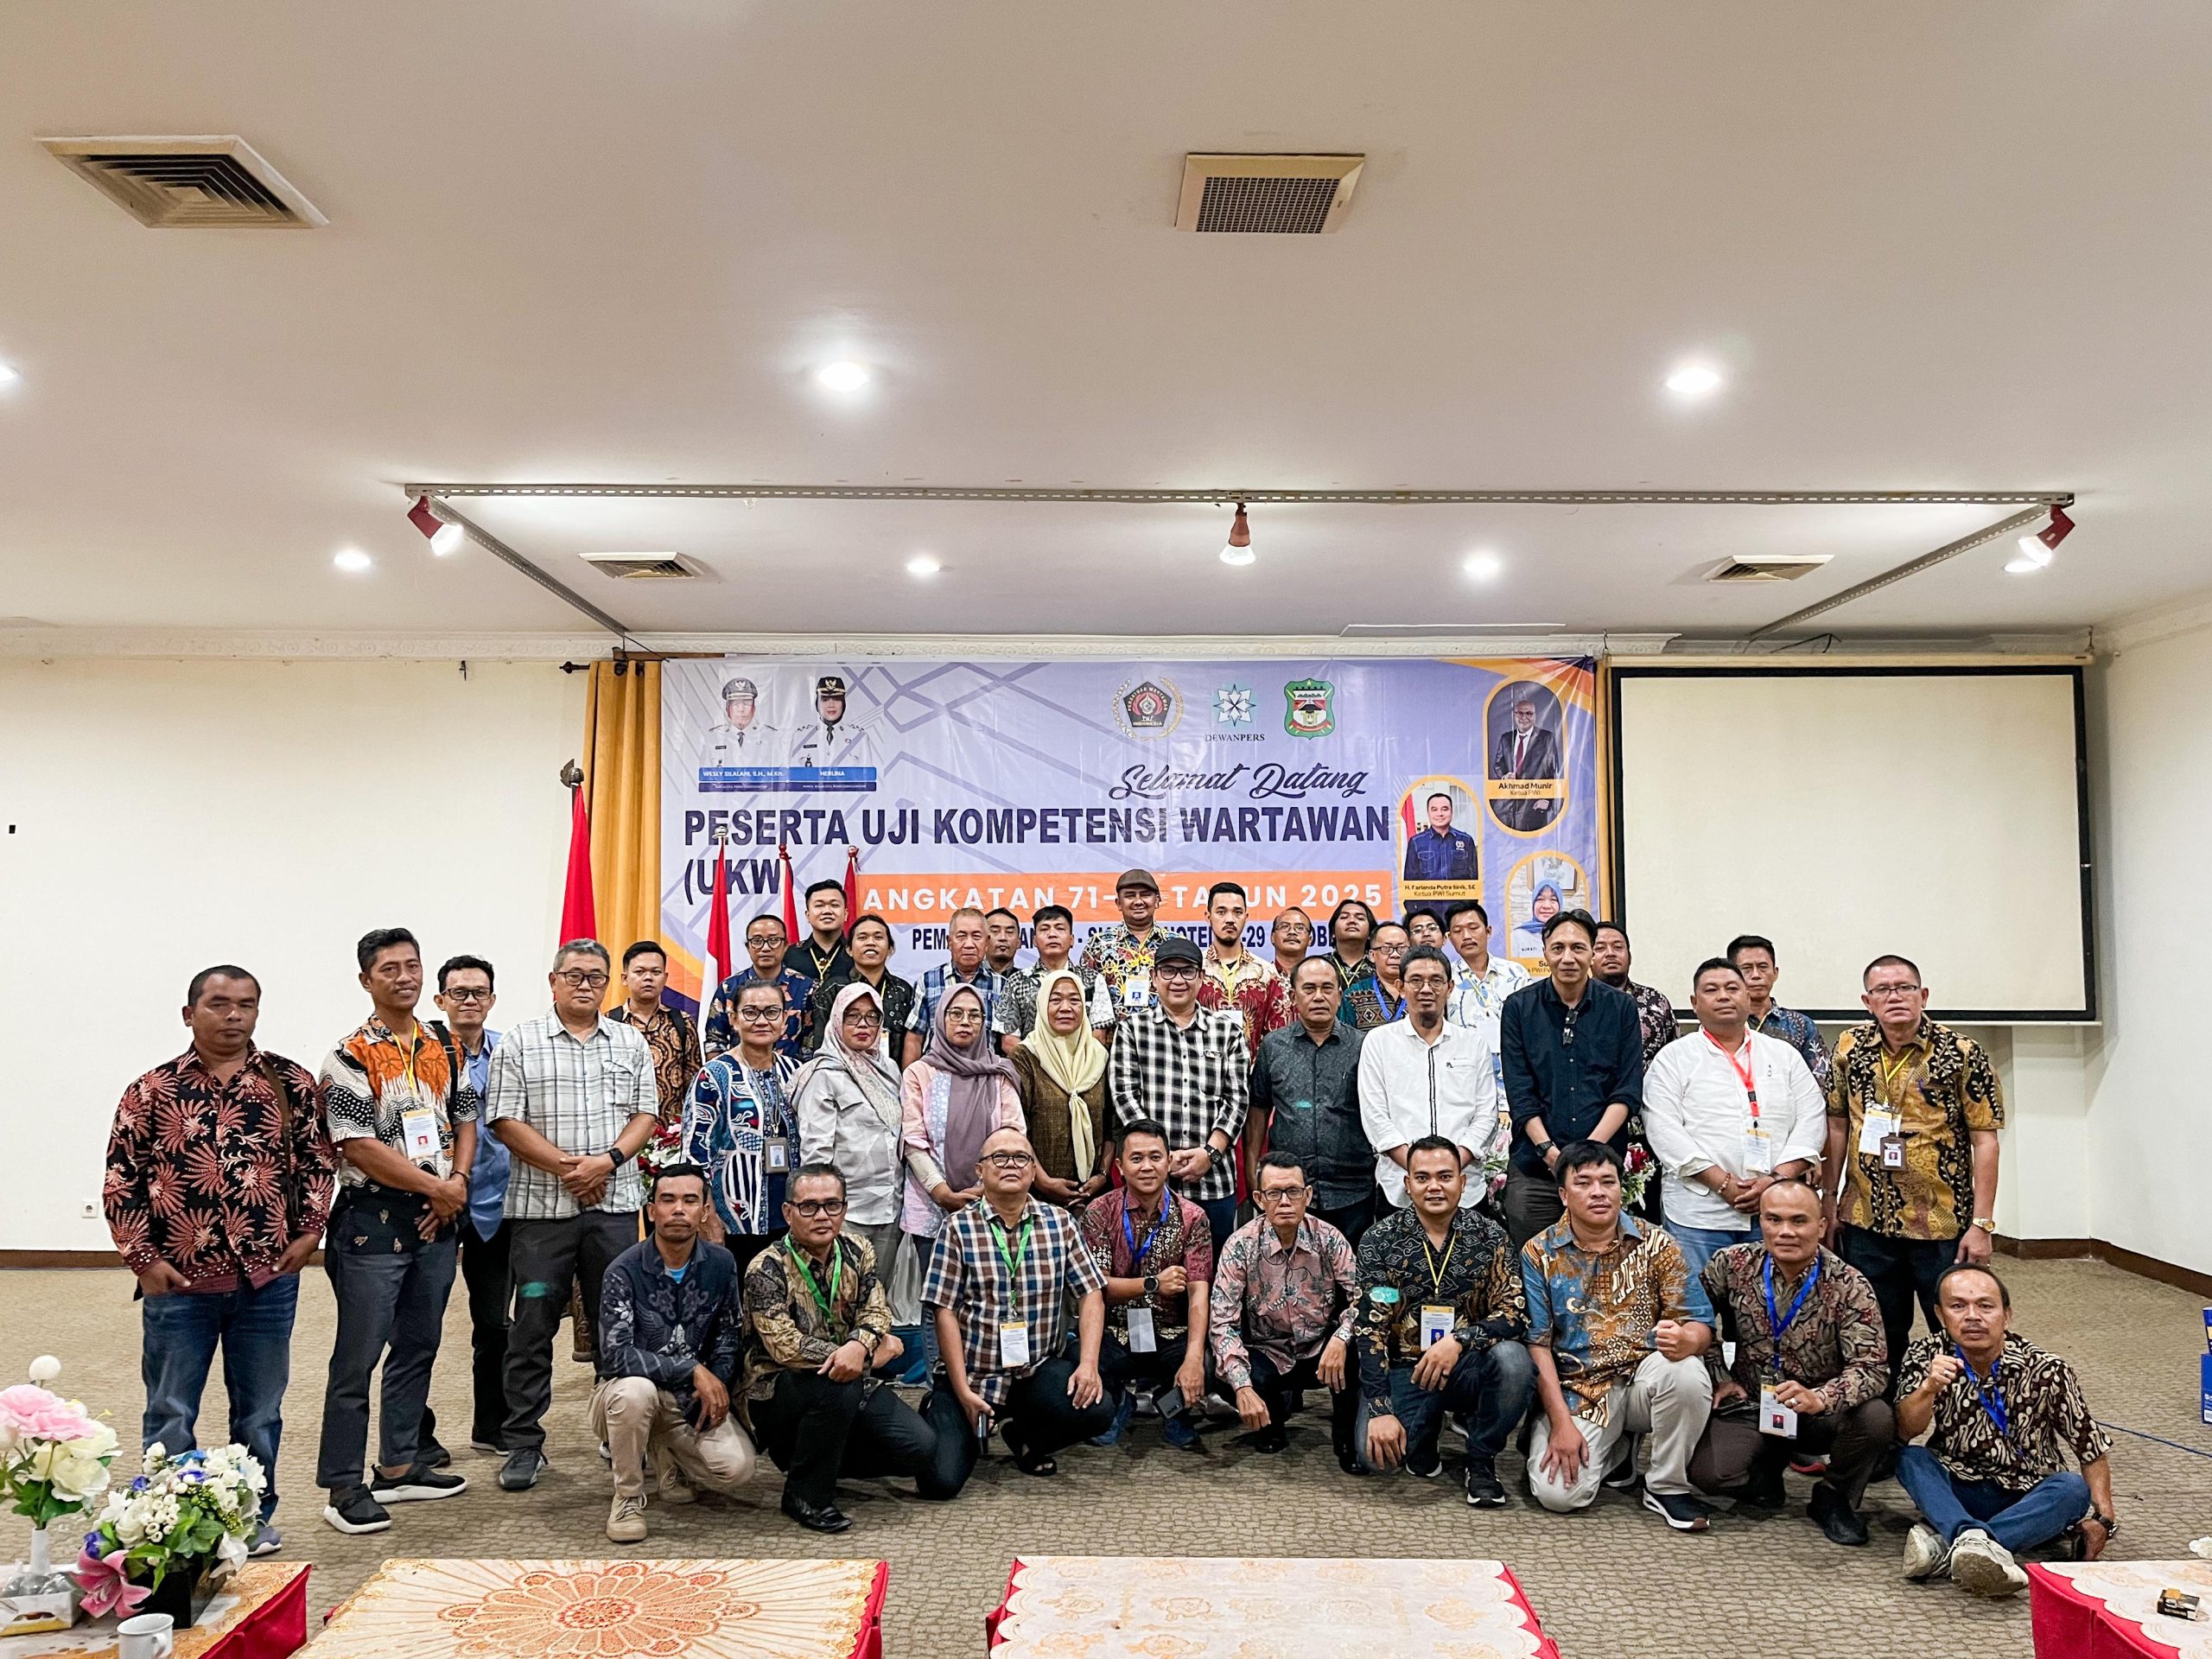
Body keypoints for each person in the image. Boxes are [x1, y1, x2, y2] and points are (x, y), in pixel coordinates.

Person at [105, 965, 335, 1558]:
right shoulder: (151, 1090)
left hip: (268, 1280)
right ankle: (169, 1524)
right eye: (219, 1003)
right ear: (189, 1014)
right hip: (179, 1283)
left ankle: (250, 1518)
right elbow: (122, 1180)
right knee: (171, 1410)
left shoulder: (289, 1081)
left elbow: (317, 1163)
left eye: (246, 1004)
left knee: (259, 1413)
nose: (234, 1015)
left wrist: (311, 1231)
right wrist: (142, 1259)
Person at [316, 928, 477, 1535]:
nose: (405, 977)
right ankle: (343, 1485)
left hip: (438, 1217)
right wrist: (437, 1188)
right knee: (357, 1358)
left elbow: (465, 1118)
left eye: (413, 966)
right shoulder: (349, 1055)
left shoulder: (444, 1044)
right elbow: (355, 1145)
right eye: (390, 969)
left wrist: (455, 1182)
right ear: (367, 980)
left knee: (418, 1345)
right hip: (373, 1220)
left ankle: (400, 1464)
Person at [485, 939, 660, 1493]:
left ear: (608, 984)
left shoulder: (630, 1041)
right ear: (554, 981)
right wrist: (571, 1168)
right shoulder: (520, 1041)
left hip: (613, 1209)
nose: (586, 985)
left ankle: (619, 1433)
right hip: (542, 1212)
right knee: (533, 1325)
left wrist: (605, 1162)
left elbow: (646, 1114)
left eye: (596, 977)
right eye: (575, 975)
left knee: (619, 1324)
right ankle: (523, 1443)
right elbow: (504, 1120)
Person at [1822, 955, 2005, 1394]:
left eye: (1904, 988)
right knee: (1877, 1335)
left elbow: (1985, 1141)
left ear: (1923, 995)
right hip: (1867, 1221)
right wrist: (1828, 1199)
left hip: (1942, 1224)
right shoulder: (1849, 1048)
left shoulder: (1962, 1053)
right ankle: (1887, 1424)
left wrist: (1982, 1224)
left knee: (1958, 1330)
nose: (1895, 997)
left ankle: (1968, 1422)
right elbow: (1837, 1124)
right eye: (1883, 990)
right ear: (1867, 1001)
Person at [746, 1165, 957, 1532]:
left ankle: (811, 1458)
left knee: (919, 1448)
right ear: (788, 1212)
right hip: (779, 1389)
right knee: (836, 1386)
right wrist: (868, 1352)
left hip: (853, 1374)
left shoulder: (858, 1250)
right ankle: (806, 1495)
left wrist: (858, 1347)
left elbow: (877, 1310)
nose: (822, 1216)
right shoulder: (766, 1268)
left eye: (832, 1205)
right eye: (809, 1207)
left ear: (844, 1209)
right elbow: (785, 1347)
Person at [1688, 1179, 1895, 1547]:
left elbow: (1872, 1368)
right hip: (1751, 1401)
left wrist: (1822, 1398)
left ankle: (1834, 1496)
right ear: (1761, 1222)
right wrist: (1719, 1375)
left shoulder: (1850, 1285)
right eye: (1774, 1220)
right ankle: (1765, 1474)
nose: (1786, 1231)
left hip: (1817, 1411)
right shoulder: (1731, 1264)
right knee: (1710, 1475)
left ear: (1821, 1225)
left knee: (1876, 1418)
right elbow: (1692, 1320)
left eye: (1799, 1221)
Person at [1523, 1141, 1717, 1530]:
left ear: (1621, 1188)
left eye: (1607, 1181)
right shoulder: (1539, 1252)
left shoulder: (1658, 1243)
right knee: (1559, 1495)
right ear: (1564, 1195)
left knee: (1686, 1372)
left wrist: (1689, 1341)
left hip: (1646, 1377)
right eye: (1584, 1183)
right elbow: (1537, 1344)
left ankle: (1666, 1486)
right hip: (1581, 1389)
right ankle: (1619, 1446)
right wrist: (1560, 1422)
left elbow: (1700, 1323)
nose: (1598, 1192)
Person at [1894, 1265, 2116, 1595]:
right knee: (1910, 1459)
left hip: (2027, 1495)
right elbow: (1906, 1429)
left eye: (1985, 1306)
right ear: (1940, 1315)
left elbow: (2090, 1448)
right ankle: (1981, 1541)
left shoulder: (2047, 1368)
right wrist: (1928, 1388)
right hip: (1958, 1487)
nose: (1972, 1316)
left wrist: (2104, 1520)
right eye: (1958, 1306)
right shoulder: (1926, 1354)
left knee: (2072, 1488)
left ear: (2006, 1316)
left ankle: (1952, 1545)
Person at [920, 1127, 1112, 1482]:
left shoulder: (1060, 1224)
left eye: (1021, 1158)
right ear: (980, 1170)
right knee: (939, 1481)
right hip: (973, 1374)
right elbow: (943, 1311)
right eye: (999, 1157)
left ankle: (1024, 1435)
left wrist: (1088, 1365)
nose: (1011, 1164)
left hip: (1034, 1370)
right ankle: (942, 1406)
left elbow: (1091, 1293)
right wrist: (962, 1392)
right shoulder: (957, 1228)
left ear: (1033, 1170)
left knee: (1097, 1410)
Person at [1353, 1138, 1533, 1504]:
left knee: (1515, 1361)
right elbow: (1370, 1329)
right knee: (1375, 1457)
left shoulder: (1490, 1236)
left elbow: (1514, 1313)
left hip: (1467, 1363)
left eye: (1445, 1176)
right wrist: (1380, 1409)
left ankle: (1481, 1459)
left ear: (1463, 1183)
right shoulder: (1380, 1240)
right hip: (1406, 1367)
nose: (1434, 1186)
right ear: (1408, 1185)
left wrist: (1459, 1341)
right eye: (1422, 1177)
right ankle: (1426, 1431)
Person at [592, 1164, 756, 1543]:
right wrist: (692, 1369)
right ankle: (627, 1497)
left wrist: (716, 1384)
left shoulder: (721, 1264)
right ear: (652, 1211)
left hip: (686, 1399)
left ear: (705, 1211)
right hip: (622, 1396)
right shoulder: (623, 1270)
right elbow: (615, 1356)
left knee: (738, 1469)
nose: (678, 1209)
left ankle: (667, 1454)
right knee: (637, 1392)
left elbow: (728, 1336)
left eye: (689, 1200)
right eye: (667, 1200)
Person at [1641, 957, 1825, 1281]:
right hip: (1698, 1215)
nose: (1723, 996)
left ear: (1747, 996)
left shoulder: (1783, 1055)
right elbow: (1663, 1130)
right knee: (1698, 1307)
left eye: (1732, 988)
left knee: (1771, 1305)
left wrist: (1776, 1180)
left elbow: (1812, 1118)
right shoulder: (1673, 1058)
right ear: (1695, 1003)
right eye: (1711, 990)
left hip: (1774, 1213)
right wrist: (1722, 1183)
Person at [1499, 910, 1645, 1249]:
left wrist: (1587, 1155)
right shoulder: (1519, 1008)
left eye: (1578, 948)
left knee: (1604, 1265)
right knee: (1533, 1266)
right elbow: (1521, 1094)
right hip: (1536, 1169)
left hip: (1601, 1170)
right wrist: (1551, 1153)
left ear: (1592, 952)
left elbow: (1626, 1091)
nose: (1568, 958)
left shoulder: (1621, 1007)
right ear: (1545, 952)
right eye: (1558, 948)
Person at [900, 985, 1027, 1371]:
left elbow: (1012, 1135)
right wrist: (942, 1192)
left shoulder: (999, 1073)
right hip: (931, 1206)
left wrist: (984, 1190)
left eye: (974, 1015)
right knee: (938, 1301)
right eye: (955, 1014)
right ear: (940, 1020)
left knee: (990, 1294)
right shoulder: (919, 1073)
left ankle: (986, 1378)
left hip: (993, 1205)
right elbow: (913, 1140)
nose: (965, 1022)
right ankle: (940, 1384)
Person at [1211, 1152, 1360, 1465]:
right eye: (1274, 1193)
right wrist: (1242, 1387)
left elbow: (1363, 1298)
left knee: (1357, 1350)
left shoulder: (1329, 1238)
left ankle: (1345, 1439)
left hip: (1320, 1347)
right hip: (1267, 1350)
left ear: (1307, 1195)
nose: (1284, 1202)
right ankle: (1273, 1423)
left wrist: (1341, 1337)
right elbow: (1222, 1322)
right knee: (1225, 1367)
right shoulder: (1240, 1246)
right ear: (1258, 1199)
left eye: (1293, 1191)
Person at [1106, 934, 1249, 1248]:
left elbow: (1237, 1100)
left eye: (1187, 971)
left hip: (1213, 1180)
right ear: (1154, 977)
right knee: (1150, 1268)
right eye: (1168, 971)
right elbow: (1125, 1095)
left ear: (1201, 977)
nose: (1178, 980)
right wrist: (1160, 1156)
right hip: (1150, 1182)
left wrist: (1209, 1154)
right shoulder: (1132, 1029)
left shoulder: (1227, 1031)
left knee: (1214, 1268)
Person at [1080, 1120, 1216, 1449]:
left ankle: (1172, 1410)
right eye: (1136, 1158)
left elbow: (1199, 1293)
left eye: (1155, 1157)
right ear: (1120, 1166)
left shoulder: (1193, 1217)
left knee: (1210, 1362)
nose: (1146, 1167)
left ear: (1169, 1161)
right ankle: (1119, 1402)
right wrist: (1152, 1284)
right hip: (1116, 1330)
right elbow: (1096, 1287)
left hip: (1170, 1331)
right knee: (1078, 1357)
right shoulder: (1099, 1212)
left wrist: (1194, 1357)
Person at [428, 956, 510, 1458]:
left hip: (496, 1205)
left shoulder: (510, 1051)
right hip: (434, 1203)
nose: (469, 1001)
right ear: (441, 1000)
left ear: (492, 999)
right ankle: (415, 1435)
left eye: (479, 992)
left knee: (495, 1323)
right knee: (419, 1326)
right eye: (459, 992)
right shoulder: (421, 1052)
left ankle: (492, 1426)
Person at [1358, 945, 1502, 1213]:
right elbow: (1375, 1117)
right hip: (1399, 1188)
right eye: (1416, 980)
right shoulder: (1378, 1042)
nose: (1426, 989)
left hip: (1466, 1188)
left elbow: (1486, 1115)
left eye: (1436, 980)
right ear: (1401, 987)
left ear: (1450, 988)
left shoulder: (1473, 1044)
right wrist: (1419, 1170)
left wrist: (1449, 1169)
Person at [793, 983, 909, 1311]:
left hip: (889, 1206)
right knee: (839, 1304)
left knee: (876, 1302)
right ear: (836, 1021)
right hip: (845, 1211)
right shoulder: (824, 1074)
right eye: (853, 1016)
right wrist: (824, 1209)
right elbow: (815, 1153)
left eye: (872, 1017)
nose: (863, 1025)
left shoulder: (888, 1069)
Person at [1250, 957, 1375, 1245]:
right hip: (1288, 1189)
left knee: (1350, 1269)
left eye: (1327, 988)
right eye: (1309, 989)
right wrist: (1252, 1168)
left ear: (1339, 996)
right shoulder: (1273, 1046)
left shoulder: (1364, 1046)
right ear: (1294, 997)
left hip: (1353, 1188)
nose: (1319, 997)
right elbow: (1258, 1108)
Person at [682, 978, 801, 1273]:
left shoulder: (797, 1071)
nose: (761, 1021)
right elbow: (694, 1153)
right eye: (750, 1012)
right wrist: (707, 1216)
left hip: (791, 1214)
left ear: (784, 1020)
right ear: (734, 1019)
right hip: (733, 1219)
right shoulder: (714, 1075)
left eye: (771, 1012)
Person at [1008, 969, 1112, 1206]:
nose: (1066, 1008)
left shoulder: (1099, 1056)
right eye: (1055, 1000)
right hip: (1035, 1195)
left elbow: (1111, 1125)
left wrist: (1102, 1175)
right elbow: (1015, 1128)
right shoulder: (1025, 1057)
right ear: (1042, 1005)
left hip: (1094, 1195)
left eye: (1075, 1000)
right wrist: (1042, 1181)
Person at [992, 904, 1109, 1055]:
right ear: (1034, 940)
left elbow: (1099, 1035)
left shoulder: (1092, 980)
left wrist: (1073, 1063)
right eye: (1044, 929)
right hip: (1032, 1067)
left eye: (1060, 928)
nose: (1052, 934)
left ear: (1072, 939)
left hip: (1083, 1066)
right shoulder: (1017, 981)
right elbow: (1009, 1041)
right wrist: (1043, 1063)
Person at [1445, 900, 1533, 1094]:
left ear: (1488, 931)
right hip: (1463, 1083)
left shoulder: (1516, 973)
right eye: (1458, 931)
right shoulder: (1445, 978)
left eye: (1473, 928)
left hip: (1514, 1079)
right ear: (1450, 938)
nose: (1466, 936)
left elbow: (1533, 1026)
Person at [1726, 935, 1834, 1092]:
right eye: (1747, 969)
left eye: (1763, 967)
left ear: (1775, 973)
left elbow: (1823, 1083)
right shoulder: (1724, 1023)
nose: (1756, 975)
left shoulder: (1800, 1025)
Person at [1196, 881, 1290, 1059]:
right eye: (1221, 912)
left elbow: (1278, 1036)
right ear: (1208, 917)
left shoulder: (1266, 973)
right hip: (1199, 1071)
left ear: (1246, 917)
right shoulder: (1193, 969)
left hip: (1252, 1072)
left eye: (1237, 912)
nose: (1230, 919)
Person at [612, 940, 702, 1123]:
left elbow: (694, 1084)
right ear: (624, 978)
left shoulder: (682, 1022)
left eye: (656, 972)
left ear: (665, 978)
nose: (648, 978)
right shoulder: (610, 1024)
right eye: (639, 972)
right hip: (622, 1133)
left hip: (672, 1133)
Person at [705, 914, 816, 1062]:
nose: (765, 948)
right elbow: (714, 1041)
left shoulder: (806, 987)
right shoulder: (729, 988)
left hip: (793, 1072)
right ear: (748, 947)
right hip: (740, 1072)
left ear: (785, 945)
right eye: (757, 941)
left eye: (774, 940)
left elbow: (811, 1044)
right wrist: (723, 1072)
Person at [903, 906, 1002, 1065]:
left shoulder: (1001, 986)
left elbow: (1008, 1042)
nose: (969, 944)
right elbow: (914, 1039)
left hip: (984, 1073)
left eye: (976, 937)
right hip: (936, 1072)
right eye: (961, 936)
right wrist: (911, 1078)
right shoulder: (928, 981)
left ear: (987, 943)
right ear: (949, 942)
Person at [804, 913, 914, 1056]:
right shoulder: (834, 988)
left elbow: (912, 1043)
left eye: (878, 937)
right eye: (862, 937)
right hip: (841, 1068)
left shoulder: (902, 990)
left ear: (890, 949)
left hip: (891, 1069)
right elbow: (821, 1043)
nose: (871, 942)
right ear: (849, 949)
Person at [1077, 868, 1166, 1027]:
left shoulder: (1174, 943)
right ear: (1119, 903)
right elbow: (1085, 998)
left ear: (1157, 900)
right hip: (1113, 1038)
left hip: (1164, 1037)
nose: (1138, 901)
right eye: (1130, 896)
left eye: (1145, 895)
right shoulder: (1098, 945)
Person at [1592, 923, 1677, 1067]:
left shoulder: (1655, 1002)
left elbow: (1676, 1056)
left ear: (1630, 957)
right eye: (1600, 948)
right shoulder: (1579, 1002)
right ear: (1589, 957)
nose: (1610, 953)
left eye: (1618, 947)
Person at [1491, 693, 1562, 832]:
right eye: (1520, 713)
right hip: (1508, 809)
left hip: (1534, 808)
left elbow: (1554, 771)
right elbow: (1498, 764)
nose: (1524, 717)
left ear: (1535, 716)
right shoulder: (1506, 738)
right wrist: (1505, 776)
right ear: (1514, 716)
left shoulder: (1546, 738)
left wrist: (1547, 800)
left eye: (1529, 713)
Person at [785, 673, 877, 768]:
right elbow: (792, 774)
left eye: (836, 699)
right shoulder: (800, 736)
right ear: (817, 704)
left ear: (843, 703)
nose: (831, 705)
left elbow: (867, 775)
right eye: (825, 700)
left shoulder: (858, 737)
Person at [1340, 920, 1410, 1030]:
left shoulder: (1419, 993)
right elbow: (1344, 1037)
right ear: (1372, 955)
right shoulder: (1353, 995)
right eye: (1386, 949)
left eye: (1402, 949)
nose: (1395, 955)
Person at [1402, 791, 1480, 881]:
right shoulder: (1416, 842)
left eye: (1445, 809)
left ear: (1452, 812)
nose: (1440, 814)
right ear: (1428, 813)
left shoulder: (1466, 841)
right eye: (1434, 810)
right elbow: (1409, 882)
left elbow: (1475, 879)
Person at [792, 880, 855, 988]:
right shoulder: (790, 955)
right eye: (819, 905)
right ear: (808, 915)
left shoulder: (857, 954)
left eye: (834, 905)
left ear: (845, 914)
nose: (827, 911)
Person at [702, 675, 779, 763]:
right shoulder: (714, 737)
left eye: (746, 704)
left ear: (754, 708)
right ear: (727, 709)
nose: (741, 709)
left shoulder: (770, 737)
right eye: (735, 704)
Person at [1322, 899, 1376, 989]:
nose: (1352, 921)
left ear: (1370, 933)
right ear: (1333, 932)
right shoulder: (1319, 965)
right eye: (1344, 917)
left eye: (1360, 918)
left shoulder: (1379, 966)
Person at [1509, 882, 1562, 957]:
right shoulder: (1517, 936)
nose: (1546, 906)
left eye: (1553, 900)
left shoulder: (1567, 934)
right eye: (1540, 899)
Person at [1267, 907, 1313, 981]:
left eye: (1300, 928)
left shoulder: (1319, 978)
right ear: (1272, 937)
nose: (1292, 932)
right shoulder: (1260, 977)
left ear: (1310, 939)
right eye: (1284, 927)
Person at [982, 906, 1025, 977]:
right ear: (983, 940)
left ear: (1018, 942)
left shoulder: (1028, 980)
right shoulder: (969, 978)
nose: (1003, 937)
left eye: (1009, 932)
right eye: (995, 931)